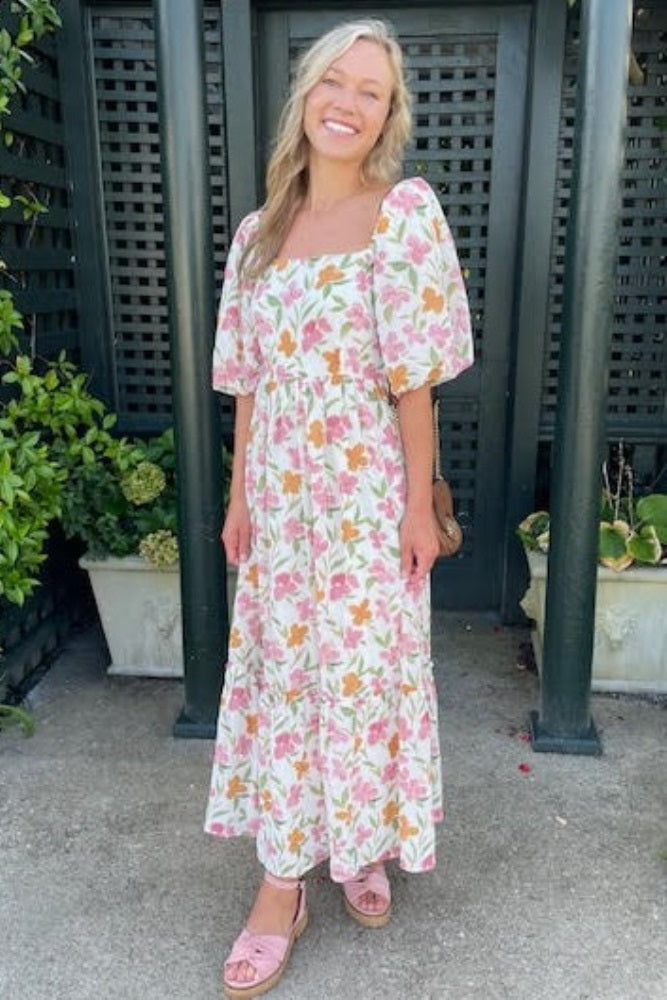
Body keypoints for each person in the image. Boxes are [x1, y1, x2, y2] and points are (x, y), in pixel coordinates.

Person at [205, 17, 474, 999]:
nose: (347, 102)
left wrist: (416, 506)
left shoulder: (402, 214)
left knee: (361, 678)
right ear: (306, 94)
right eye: (334, 81)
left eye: (370, 90)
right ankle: (281, 887)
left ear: (387, 115)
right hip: (281, 504)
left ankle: (359, 844)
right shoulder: (257, 235)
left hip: (365, 500)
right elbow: (247, 382)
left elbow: (414, 382)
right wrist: (238, 494)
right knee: (289, 680)